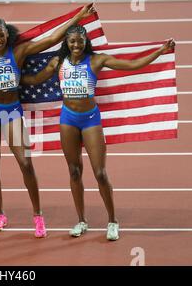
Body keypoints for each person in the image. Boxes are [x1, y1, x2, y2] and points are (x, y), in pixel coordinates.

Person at [21, 24, 175, 241]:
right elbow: (36, 80)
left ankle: (112, 221)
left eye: (79, 41)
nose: (76, 45)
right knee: (74, 171)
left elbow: (131, 65)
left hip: (90, 119)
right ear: (66, 42)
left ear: (86, 41)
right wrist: (12, 79)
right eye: (72, 41)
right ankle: (81, 220)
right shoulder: (58, 62)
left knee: (100, 173)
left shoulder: (96, 60)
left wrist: (159, 51)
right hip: (67, 119)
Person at [0, 4, 96, 238]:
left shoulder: (19, 52)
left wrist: (79, 16)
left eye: (1, 35)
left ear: (7, 34)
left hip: (12, 111)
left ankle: (38, 215)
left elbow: (53, 37)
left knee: (25, 163)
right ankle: (0, 214)